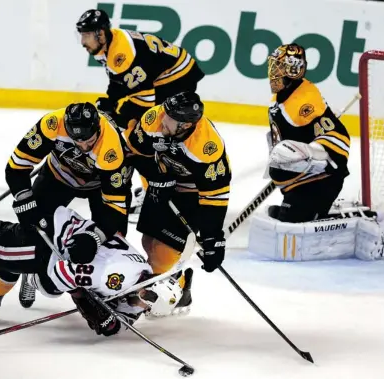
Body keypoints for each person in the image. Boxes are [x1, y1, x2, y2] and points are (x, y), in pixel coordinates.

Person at [0, 140, 184, 332]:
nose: (141, 307)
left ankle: (16, 278)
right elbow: (57, 274)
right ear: (147, 291)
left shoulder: (140, 275)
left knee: (46, 283)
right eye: (145, 302)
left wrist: (108, 319)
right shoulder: (118, 277)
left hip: (60, 234)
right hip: (44, 244)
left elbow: (119, 311)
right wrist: (88, 306)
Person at [0, 102, 134, 314]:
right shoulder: (51, 124)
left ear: (97, 129)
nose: (83, 146)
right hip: (59, 176)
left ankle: (110, 298)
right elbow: (16, 167)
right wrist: (24, 199)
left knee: (113, 240)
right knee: (27, 236)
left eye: (88, 141)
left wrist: (94, 238)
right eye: (77, 140)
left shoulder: (111, 148)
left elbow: (114, 209)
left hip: (101, 188)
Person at [247, 43, 384, 262]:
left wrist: (311, 153)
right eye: (273, 67)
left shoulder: (304, 101)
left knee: (290, 227)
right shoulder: (281, 98)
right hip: (299, 182)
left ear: (293, 69)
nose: (272, 73)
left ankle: (348, 225)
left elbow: (339, 139)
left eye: (278, 67)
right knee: (285, 221)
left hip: (318, 181)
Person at [76, 9, 206, 217]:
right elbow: (121, 81)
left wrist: (121, 116)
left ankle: (156, 190)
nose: (82, 41)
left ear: (100, 34)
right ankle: (169, 185)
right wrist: (111, 101)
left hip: (175, 77)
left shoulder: (120, 53)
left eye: (86, 35)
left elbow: (146, 100)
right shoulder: (112, 42)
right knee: (143, 131)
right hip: (170, 74)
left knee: (143, 134)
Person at [122, 91, 232, 314]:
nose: (163, 119)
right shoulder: (156, 118)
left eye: (170, 119)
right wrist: (156, 176)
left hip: (192, 194)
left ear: (184, 125)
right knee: (148, 242)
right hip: (164, 182)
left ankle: (153, 297)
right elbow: (134, 151)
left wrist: (213, 238)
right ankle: (180, 284)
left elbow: (215, 195)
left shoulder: (206, 147)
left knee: (163, 254)